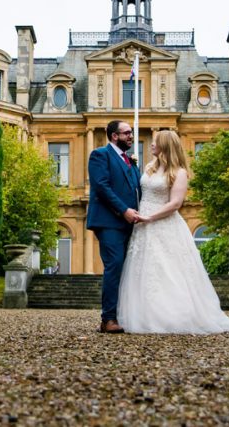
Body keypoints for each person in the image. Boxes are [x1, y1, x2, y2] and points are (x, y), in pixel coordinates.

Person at [118, 130, 229, 334]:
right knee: (144, 269)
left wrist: (150, 217)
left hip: (163, 223)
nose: (151, 145)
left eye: (156, 142)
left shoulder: (180, 172)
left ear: (165, 146)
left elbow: (175, 204)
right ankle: (145, 315)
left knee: (168, 269)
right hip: (142, 225)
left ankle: (173, 316)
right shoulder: (149, 167)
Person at [86, 119, 142, 334]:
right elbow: (101, 186)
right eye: (126, 133)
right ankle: (108, 318)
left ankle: (123, 315)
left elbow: (138, 191)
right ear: (114, 136)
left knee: (128, 268)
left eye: (132, 133)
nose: (131, 136)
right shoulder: (100, 155)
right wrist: (124, 210)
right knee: (115, 265)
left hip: (131, 223)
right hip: (108, 221)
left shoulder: (131, 161)